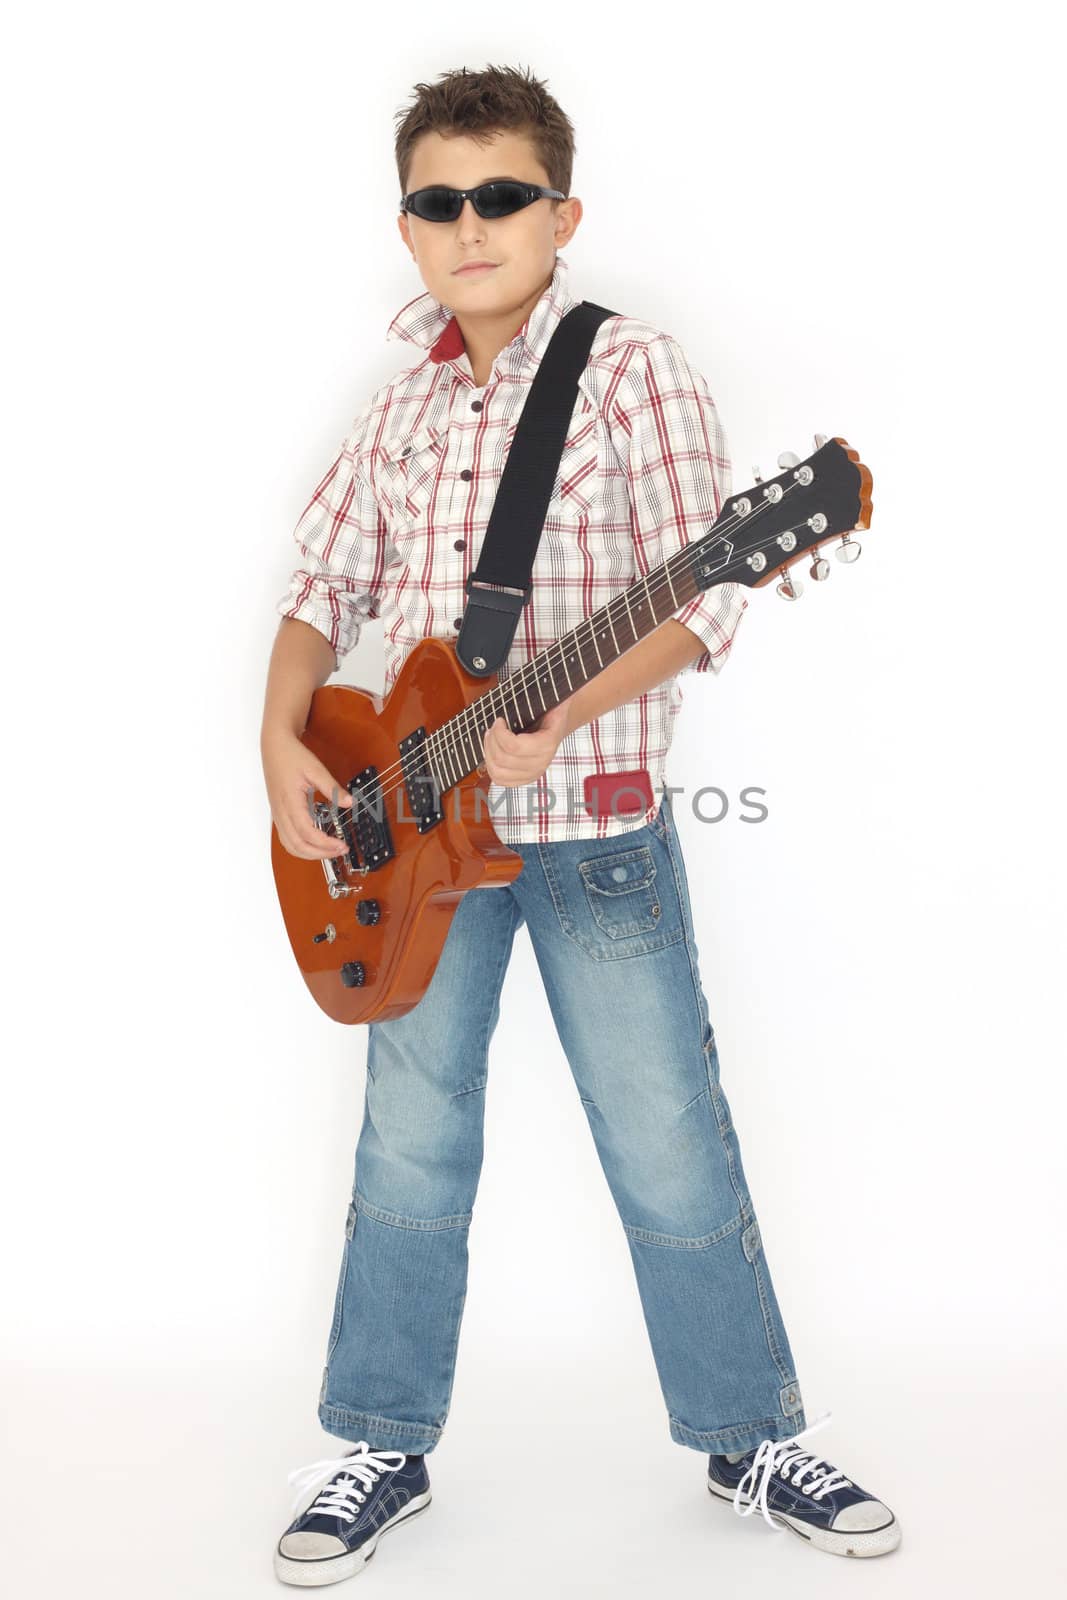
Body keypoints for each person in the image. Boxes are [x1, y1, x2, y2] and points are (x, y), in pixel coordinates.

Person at [260, 65, 901, 1585]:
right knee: (410, 1143)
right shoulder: (401, 405)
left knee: (669, 1138)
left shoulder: (633, 372)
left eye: (501, 195)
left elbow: (709, 590)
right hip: (412, 845)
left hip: (594, 821)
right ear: (406, 224)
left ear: (562, 212)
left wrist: (563, 706)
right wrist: (280, 737)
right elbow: (314, 594)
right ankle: (378, 1443)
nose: (470, 224)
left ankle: (752, 1432)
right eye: (439, 200)